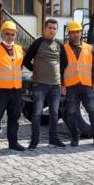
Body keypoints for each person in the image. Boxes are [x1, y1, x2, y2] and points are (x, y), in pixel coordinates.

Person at [0, 20, 27, 155]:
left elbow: (20, 67)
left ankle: (13, 143)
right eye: (7, 34)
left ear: (15, 35)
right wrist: (0, 78)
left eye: (12, 34)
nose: (10, 37)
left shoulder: (20, 50)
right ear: (2, 34)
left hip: (16, 90)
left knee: (14, 117)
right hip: (0, 91)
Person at [23, 19, 66, 150]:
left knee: (54, 113)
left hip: (55, 86)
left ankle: (53, 138)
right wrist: (34, 70)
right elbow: (26, 60)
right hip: (39, 85)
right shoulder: (38, 43)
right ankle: (34, 141)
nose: (52, 30)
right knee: (36, 113)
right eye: (50, 28)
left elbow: (64, 64)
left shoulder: (59, 44)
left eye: (54, 28)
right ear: (44, 29)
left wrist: (62, 82)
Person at [61, 21, 94, 148]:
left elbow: (93, 67)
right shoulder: (63, 49)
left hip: (86, 85)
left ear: (81, 33)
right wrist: (62, 84)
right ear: (68, 34)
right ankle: (75, 138)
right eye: (72, 32)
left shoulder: (89, 48)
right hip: (71, 86)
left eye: (78, 32)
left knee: (93, 112)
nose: (75, 35)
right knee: (71, 113)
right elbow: (61, 68)